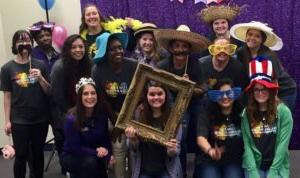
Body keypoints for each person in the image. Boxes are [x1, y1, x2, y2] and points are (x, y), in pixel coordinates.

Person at [155, 24, 210, 178]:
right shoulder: (162, 65)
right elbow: (156, 89)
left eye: (184, 46)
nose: (180, 49)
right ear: (171, 48)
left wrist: (189, 87)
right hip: (170, 105)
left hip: (193, 103)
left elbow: (203, 90)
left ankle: (196, 170)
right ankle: (180, 172)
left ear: (189, 49)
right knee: (181, 136)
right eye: (177, 46)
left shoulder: (194, 64)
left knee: (198, 127)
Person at [0, 30, 50, 178]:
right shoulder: (7, 68)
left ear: (31, 44)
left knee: (37, 154)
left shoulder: (40, 64)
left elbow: (49, 91)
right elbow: (7, 96)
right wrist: (7, 121)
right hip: (19, 119)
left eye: (27, 40)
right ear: (15, 45)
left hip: (40, 118)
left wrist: (40, 78)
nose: (24, 43)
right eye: (20, 41)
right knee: (21, 155)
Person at [92, 32, 137, 178]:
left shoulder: (133, 65)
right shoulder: (98, 70)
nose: (118, 51)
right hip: (111, 115)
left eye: (120, 47)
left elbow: (139, 93)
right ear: (105, 51)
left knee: (134, 152)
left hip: (132, 114)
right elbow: (102, 99)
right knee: (118, 150)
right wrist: (117, 123)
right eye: (113, 49)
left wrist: (127, 118)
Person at [241, 57, 293, 178]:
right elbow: (247, 146)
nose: (260, 93)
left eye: (264, 88)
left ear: (270, 90)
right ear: (252, 92)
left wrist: (273, 172)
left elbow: (282, 146)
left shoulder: (284, 112)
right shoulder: (246, 113)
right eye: (256, 90)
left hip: (277, 166)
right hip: (254, 165)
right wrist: (253, 172)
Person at [230, 21, 297, 111]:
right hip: (262, 90)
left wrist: (274, 100)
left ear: (262, 40)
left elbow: (274, 81)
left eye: (257, 36)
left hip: (284, 91)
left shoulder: (268, 56)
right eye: (250, 34)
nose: (252, 38)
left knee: (279, 119)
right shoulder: (242, 52)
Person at [50, 34, 92, 173]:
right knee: (74, 149)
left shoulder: (88, 63)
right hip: (65, 112)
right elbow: (58, 97)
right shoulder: (59, 67)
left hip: (83, 110)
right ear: (67, 49)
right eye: (74, 47)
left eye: (81, 46)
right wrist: (75, 113)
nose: (78, 50)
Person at [125, 82, 182, 178]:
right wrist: (132, 139)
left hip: (167, 170)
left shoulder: (174, 116)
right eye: (152, 94)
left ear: (166, 95)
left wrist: (172, 149)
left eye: (160, 94)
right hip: (143, 170)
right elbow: (132, 148)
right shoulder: (139, 112)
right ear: (146, 96)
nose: (156, 97)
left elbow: (176, 150)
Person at [61, 77, 111, 178]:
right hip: (73, 156)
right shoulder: (71, 119)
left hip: (94, 153)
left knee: (99, 164)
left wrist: (108, 153)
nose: (90, 96)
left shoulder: (102, 114)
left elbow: (106, 138)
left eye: (93, 93)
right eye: (85, 93)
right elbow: (75, 148)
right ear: (79, 97)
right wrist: (97, 152)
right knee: (91, 163)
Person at [196, 78, 244, 178]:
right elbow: (200, 139)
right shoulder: (207, 112)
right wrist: (211, 151)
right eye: (221, 94)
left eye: (228, 93)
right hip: (210, 160)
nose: (225, 97)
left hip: (233, 160)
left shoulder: (242, 113)